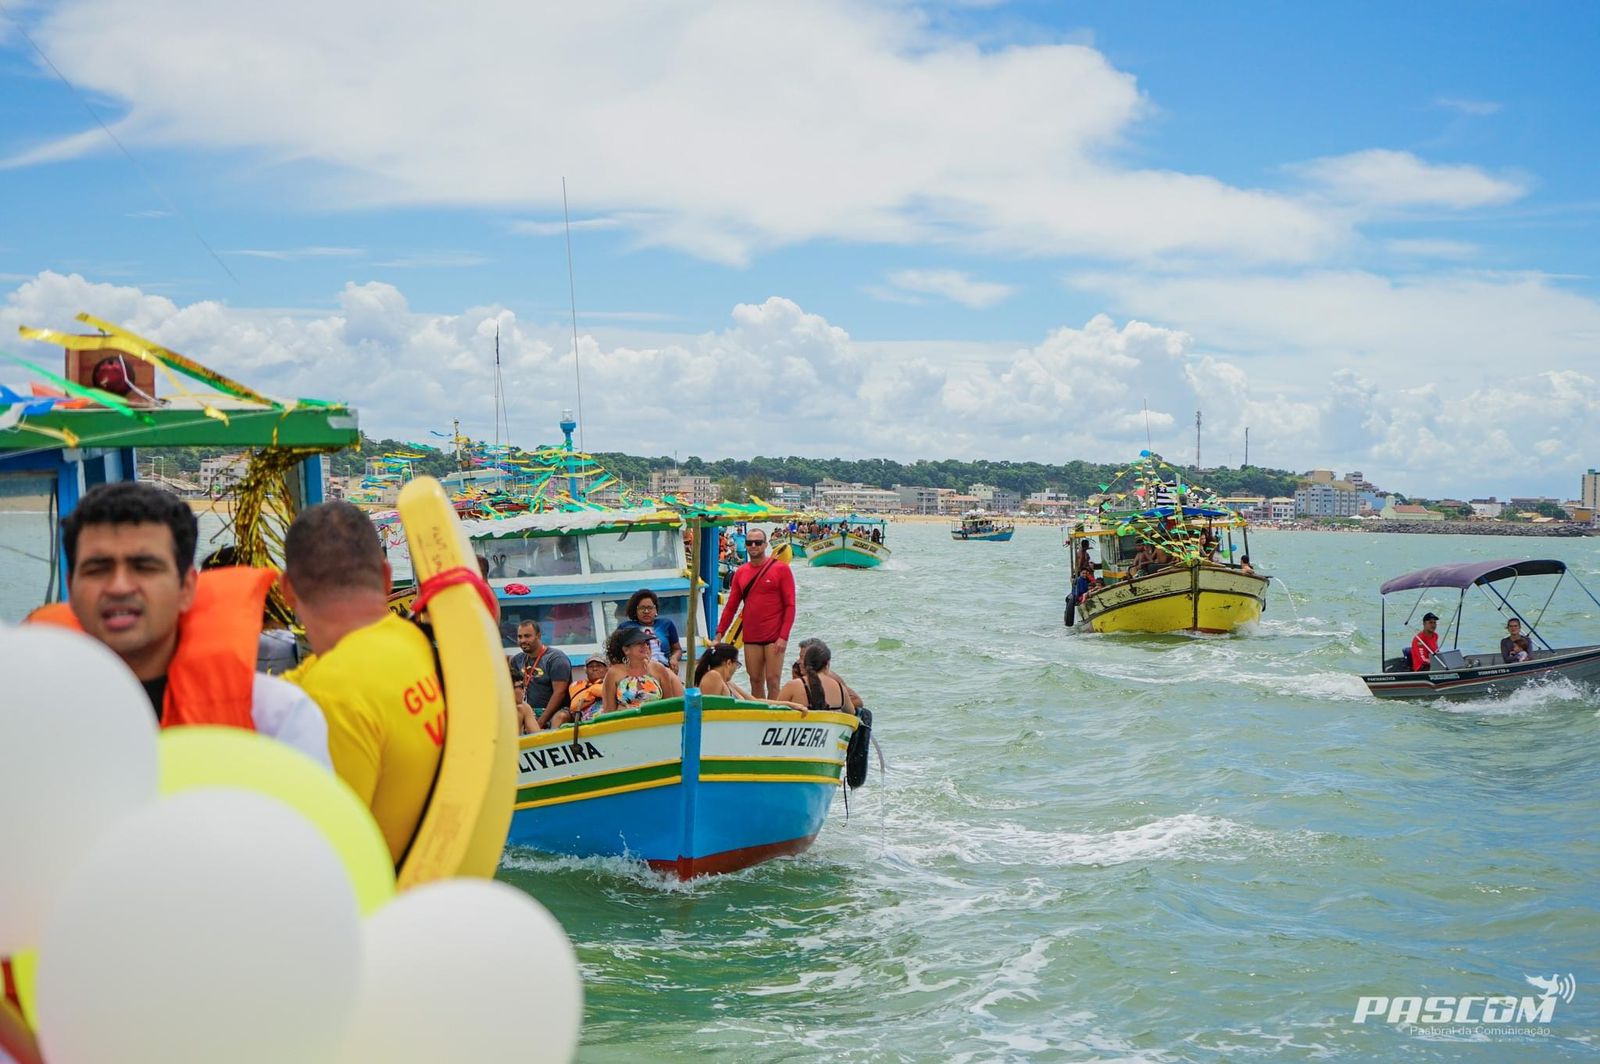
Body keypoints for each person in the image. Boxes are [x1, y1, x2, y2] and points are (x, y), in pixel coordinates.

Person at [30, 481, 328, 764]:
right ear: (71, 585)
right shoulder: (26, 711)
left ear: (186, 588)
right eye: (97, 569)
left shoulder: (276, 718)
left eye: (144, 567)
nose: (119, 586)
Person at [281, 500, 442, 863]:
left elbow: (323, 856)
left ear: (287, 591)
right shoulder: (412, 641)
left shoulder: (327, 698)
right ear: (386, 578)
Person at [715, 527, 796, 699]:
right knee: (755, 680)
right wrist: (719, 634)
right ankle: (760, 716)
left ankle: (775, 716)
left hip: (774, 636)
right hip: (751, 635)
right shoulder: (741, 573)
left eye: (758, 542)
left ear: (766, 545)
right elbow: (731, 606)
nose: (753, 546)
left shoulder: (781, 569)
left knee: (773, 680)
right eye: (749, 543)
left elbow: (790, 605)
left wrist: (784, 637)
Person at [602, 626, 685, 713]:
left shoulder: (659, 668)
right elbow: (609, 710)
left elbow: (669, 704)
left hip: (656, 722)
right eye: (639, 643)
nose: (645, 646)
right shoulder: (614, 672)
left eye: (646, 643)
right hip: (626, 723)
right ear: (626, 650)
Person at [512, 619, 572, 730]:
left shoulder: (556, 658)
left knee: (560, 717)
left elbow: (560, 693)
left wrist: (540, 722)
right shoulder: (517, 660)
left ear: (538, 636)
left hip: (556, 711)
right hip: (529, 711)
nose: (522, 640)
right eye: (520, 637)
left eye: (527, 636)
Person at [775, 639, 853, 713]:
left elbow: (774, 712)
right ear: (827, 664)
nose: (798, 661)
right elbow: (852, 713)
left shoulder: (793, 685)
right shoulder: (840, 688)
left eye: (801, 657)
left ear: (806, 661)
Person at [617, 588, 682, 672]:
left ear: (656, 610)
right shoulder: (626, 627)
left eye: (650, 608)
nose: (646, 611)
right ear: (635, 610)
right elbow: (616, 651)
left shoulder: (666, 624)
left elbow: (677, 649)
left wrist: (674, 658)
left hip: (664, 669)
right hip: (636, 671)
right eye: (642, 608)